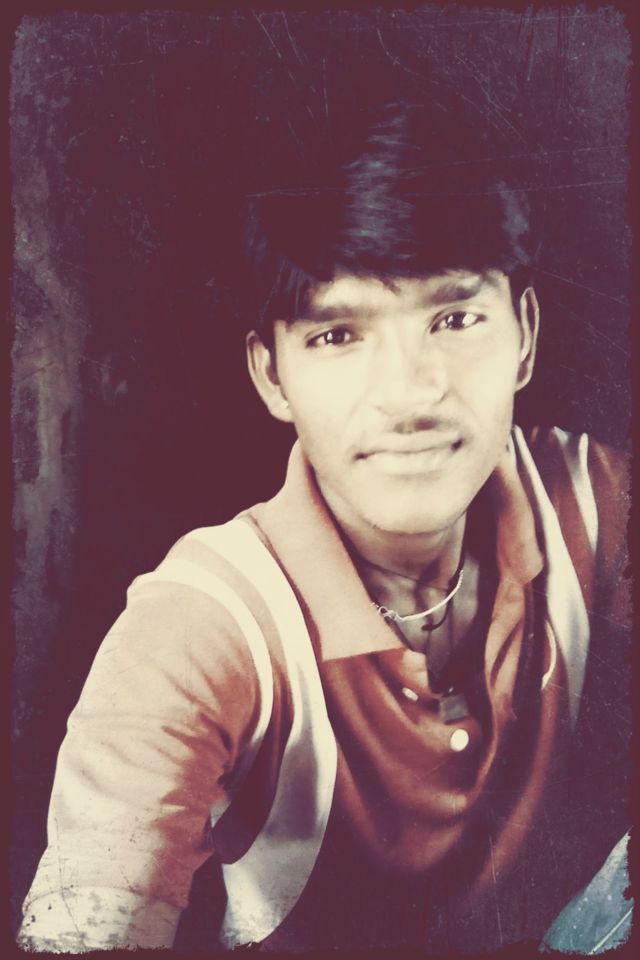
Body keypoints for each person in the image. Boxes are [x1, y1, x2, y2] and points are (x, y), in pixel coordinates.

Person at [17, 99, 630, 953]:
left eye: (455, 319)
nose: (410, 396)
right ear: (272, 376)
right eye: (339, 335)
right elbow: (86, 925)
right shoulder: (200, 625)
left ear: (523, 337)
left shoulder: (597, 502)